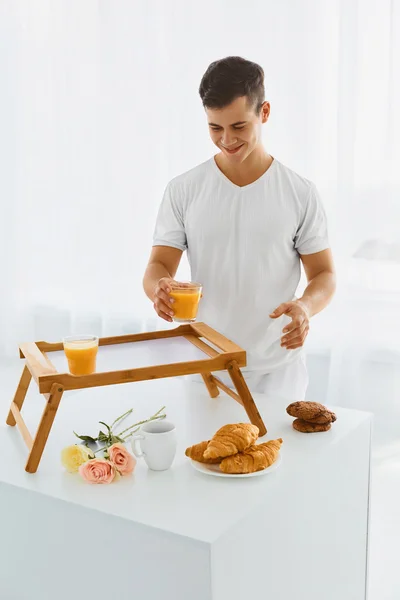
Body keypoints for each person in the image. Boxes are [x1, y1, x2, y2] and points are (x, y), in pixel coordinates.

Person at [143, 56, 336, 402]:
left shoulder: (299, 192)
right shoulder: (184, 189)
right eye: (215, 128)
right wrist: (158, 288)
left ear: (264, 113)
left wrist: (306, 306)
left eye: (239, 126)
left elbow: (324, 274)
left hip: (278, 372)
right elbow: (158, 266)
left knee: (279, 458)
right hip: (204, 367)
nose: (227, 140)